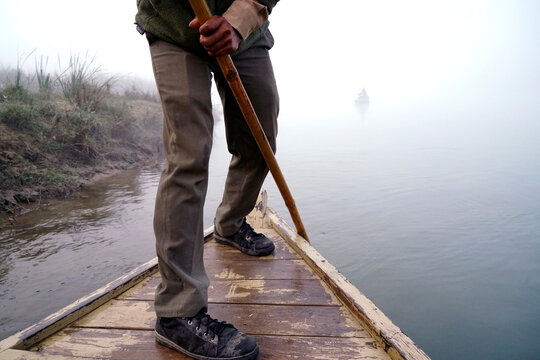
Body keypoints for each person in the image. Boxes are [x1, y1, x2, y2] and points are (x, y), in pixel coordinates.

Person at [135, 0, 280, 359]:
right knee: (188, 155)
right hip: (174, 28)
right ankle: (177, 312)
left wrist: (236, 22)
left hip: (245, 35)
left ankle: (229, 225)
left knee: (259, 142)